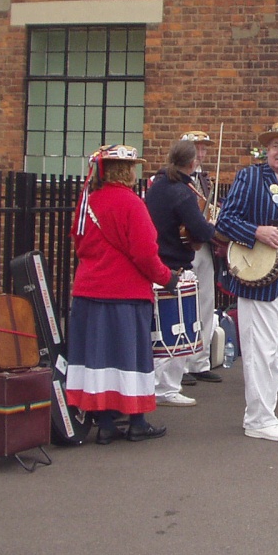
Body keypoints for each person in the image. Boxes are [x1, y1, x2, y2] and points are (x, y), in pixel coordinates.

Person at [215, 121, 278, 443]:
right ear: (267, 150)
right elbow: (225, 220)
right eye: (275, 146)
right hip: (258, 279)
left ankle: (267, 412)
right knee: (260, 350)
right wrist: (256, 231)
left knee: (277, 351)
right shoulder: (251, 177)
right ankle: (257, 419)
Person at [66, 144, 175, 445]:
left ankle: (105, 424)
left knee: (98, 359)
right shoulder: (132, 203)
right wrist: (166, 278)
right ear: (126, 171)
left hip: (89, 291)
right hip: (125, 293)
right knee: (131, 358)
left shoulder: (88, 201)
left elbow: (79, 243)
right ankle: (137, 422)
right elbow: (145, 253)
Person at [144, 138, 217, 406]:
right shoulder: (182, 192)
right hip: (175, 265)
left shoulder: (157, 186)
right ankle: (166, 389)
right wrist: (211, 226)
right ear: (192, 163)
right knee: (177, 329)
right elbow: (199, 230)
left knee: (158, 331)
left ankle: (155, 386)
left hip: (157, 262)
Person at [176, 130, 224, 386]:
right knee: (184, 304)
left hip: (204, 246)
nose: (201, 153)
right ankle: (181, 363)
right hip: (182, 246)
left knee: (205, 302)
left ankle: (200, 361)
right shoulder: (172, 179)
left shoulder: (206, 180)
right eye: (197, 148)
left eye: (204, 149)